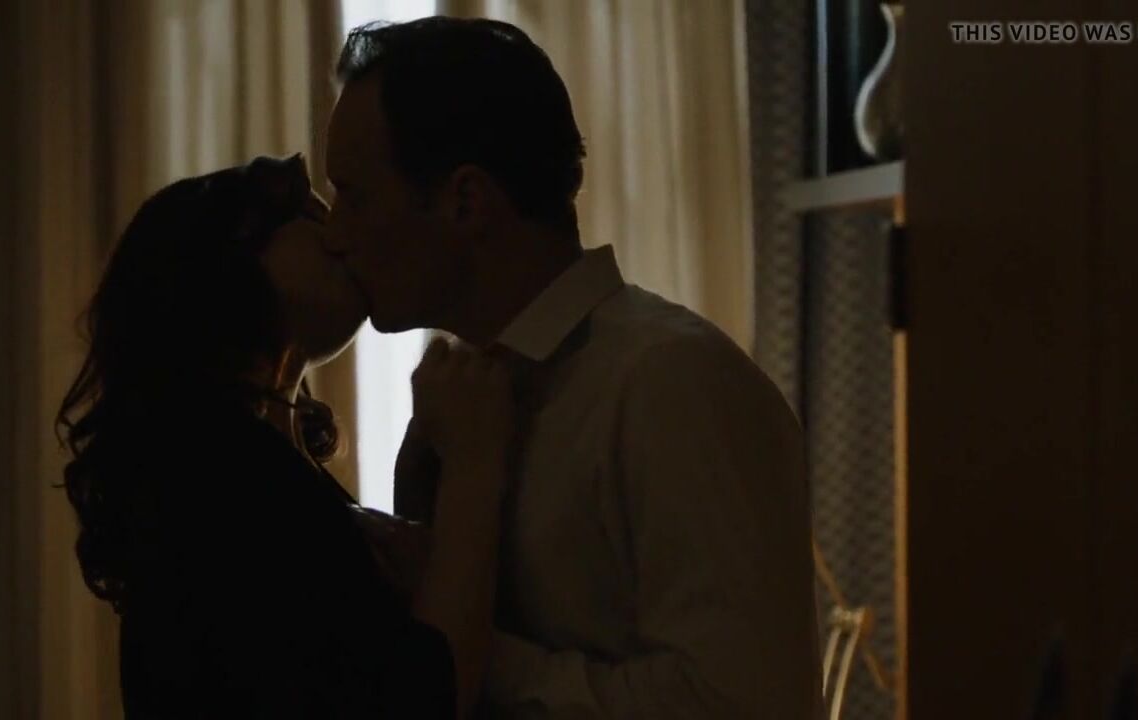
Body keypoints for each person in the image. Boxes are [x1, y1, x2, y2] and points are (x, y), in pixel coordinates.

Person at [324, 17, 823, 718]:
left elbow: (743, 703)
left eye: (354, 196)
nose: (335, 234)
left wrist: (473, 649)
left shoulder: (671, 385)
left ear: (465, 201)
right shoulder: (462, 400)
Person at [55, 155, 513, 718]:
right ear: (224, 260)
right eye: (311, 217)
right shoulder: (218, 483)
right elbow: (424, 700)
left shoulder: (245, 470)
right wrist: (474, 467)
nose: (343, 239)